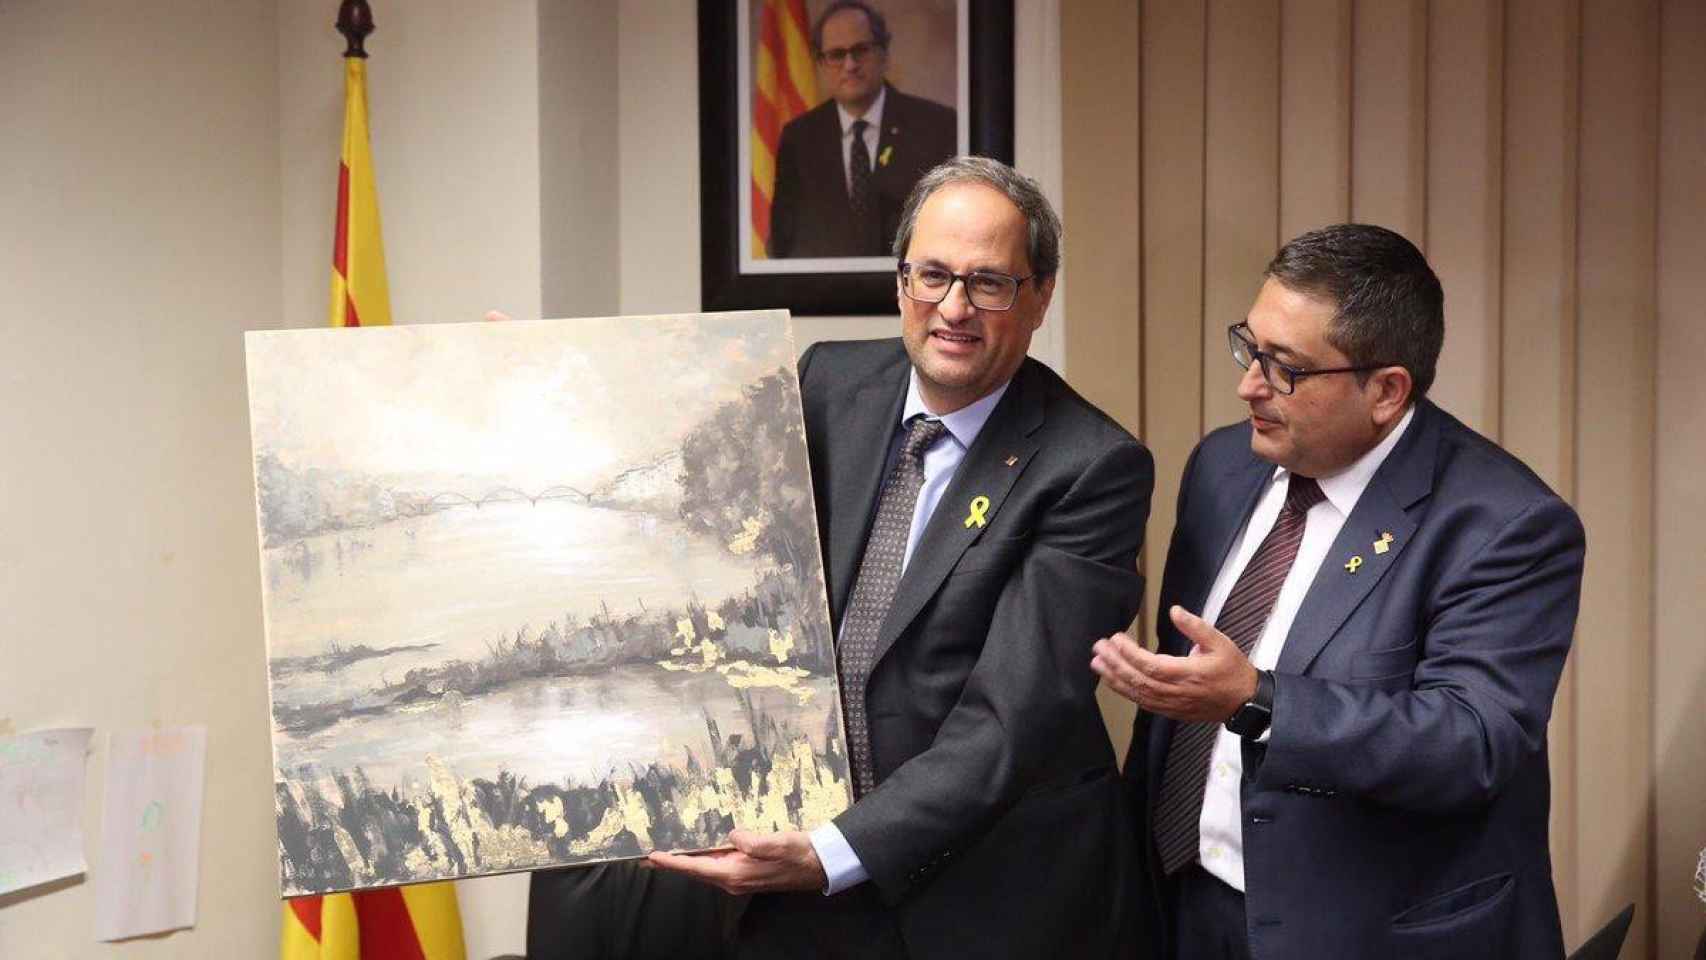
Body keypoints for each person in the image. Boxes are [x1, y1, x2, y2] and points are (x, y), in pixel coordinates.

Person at [651, 156, 1155, 959]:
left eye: (990, 283)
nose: (954, 308)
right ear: (900, 283)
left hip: (984, 895)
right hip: (798, 868)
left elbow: (1009, 721)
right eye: (933, 275)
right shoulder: (825, 381)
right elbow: (700, 504)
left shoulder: (1091, 466)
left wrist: (834, 853)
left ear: (1040, 297)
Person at [1092, 224, 1585, 959]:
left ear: (1386, 391)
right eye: (1248, 348)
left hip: (1361, 931)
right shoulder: (1224, 466)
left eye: (1284, 368)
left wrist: (1258, 700)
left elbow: (1473, 741)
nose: (1248, 385)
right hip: (1184, 902)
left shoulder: (1505, 524)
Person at [766, 1, 956, 259]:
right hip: (825, 295)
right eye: (836, 54)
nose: (850, 65)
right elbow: (783, 243)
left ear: (884, 53)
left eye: (861, 50)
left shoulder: (937, 126)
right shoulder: (798, 139)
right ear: (820, 63)